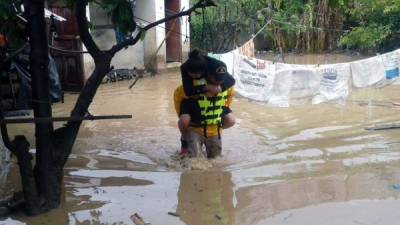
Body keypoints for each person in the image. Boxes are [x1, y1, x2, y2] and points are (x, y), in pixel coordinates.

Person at [174, 49, 235, 156]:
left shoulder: (218, 70)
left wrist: (220, 88)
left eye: (220, 81)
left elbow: (231, 85)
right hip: (194, 107)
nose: (195, 77)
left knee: (231, 120)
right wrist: (205, 88)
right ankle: (184, 137)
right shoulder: (185, 71)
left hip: (215, 113)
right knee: (184, 120)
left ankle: (216, 129)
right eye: (193, 76)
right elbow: (185, 93)